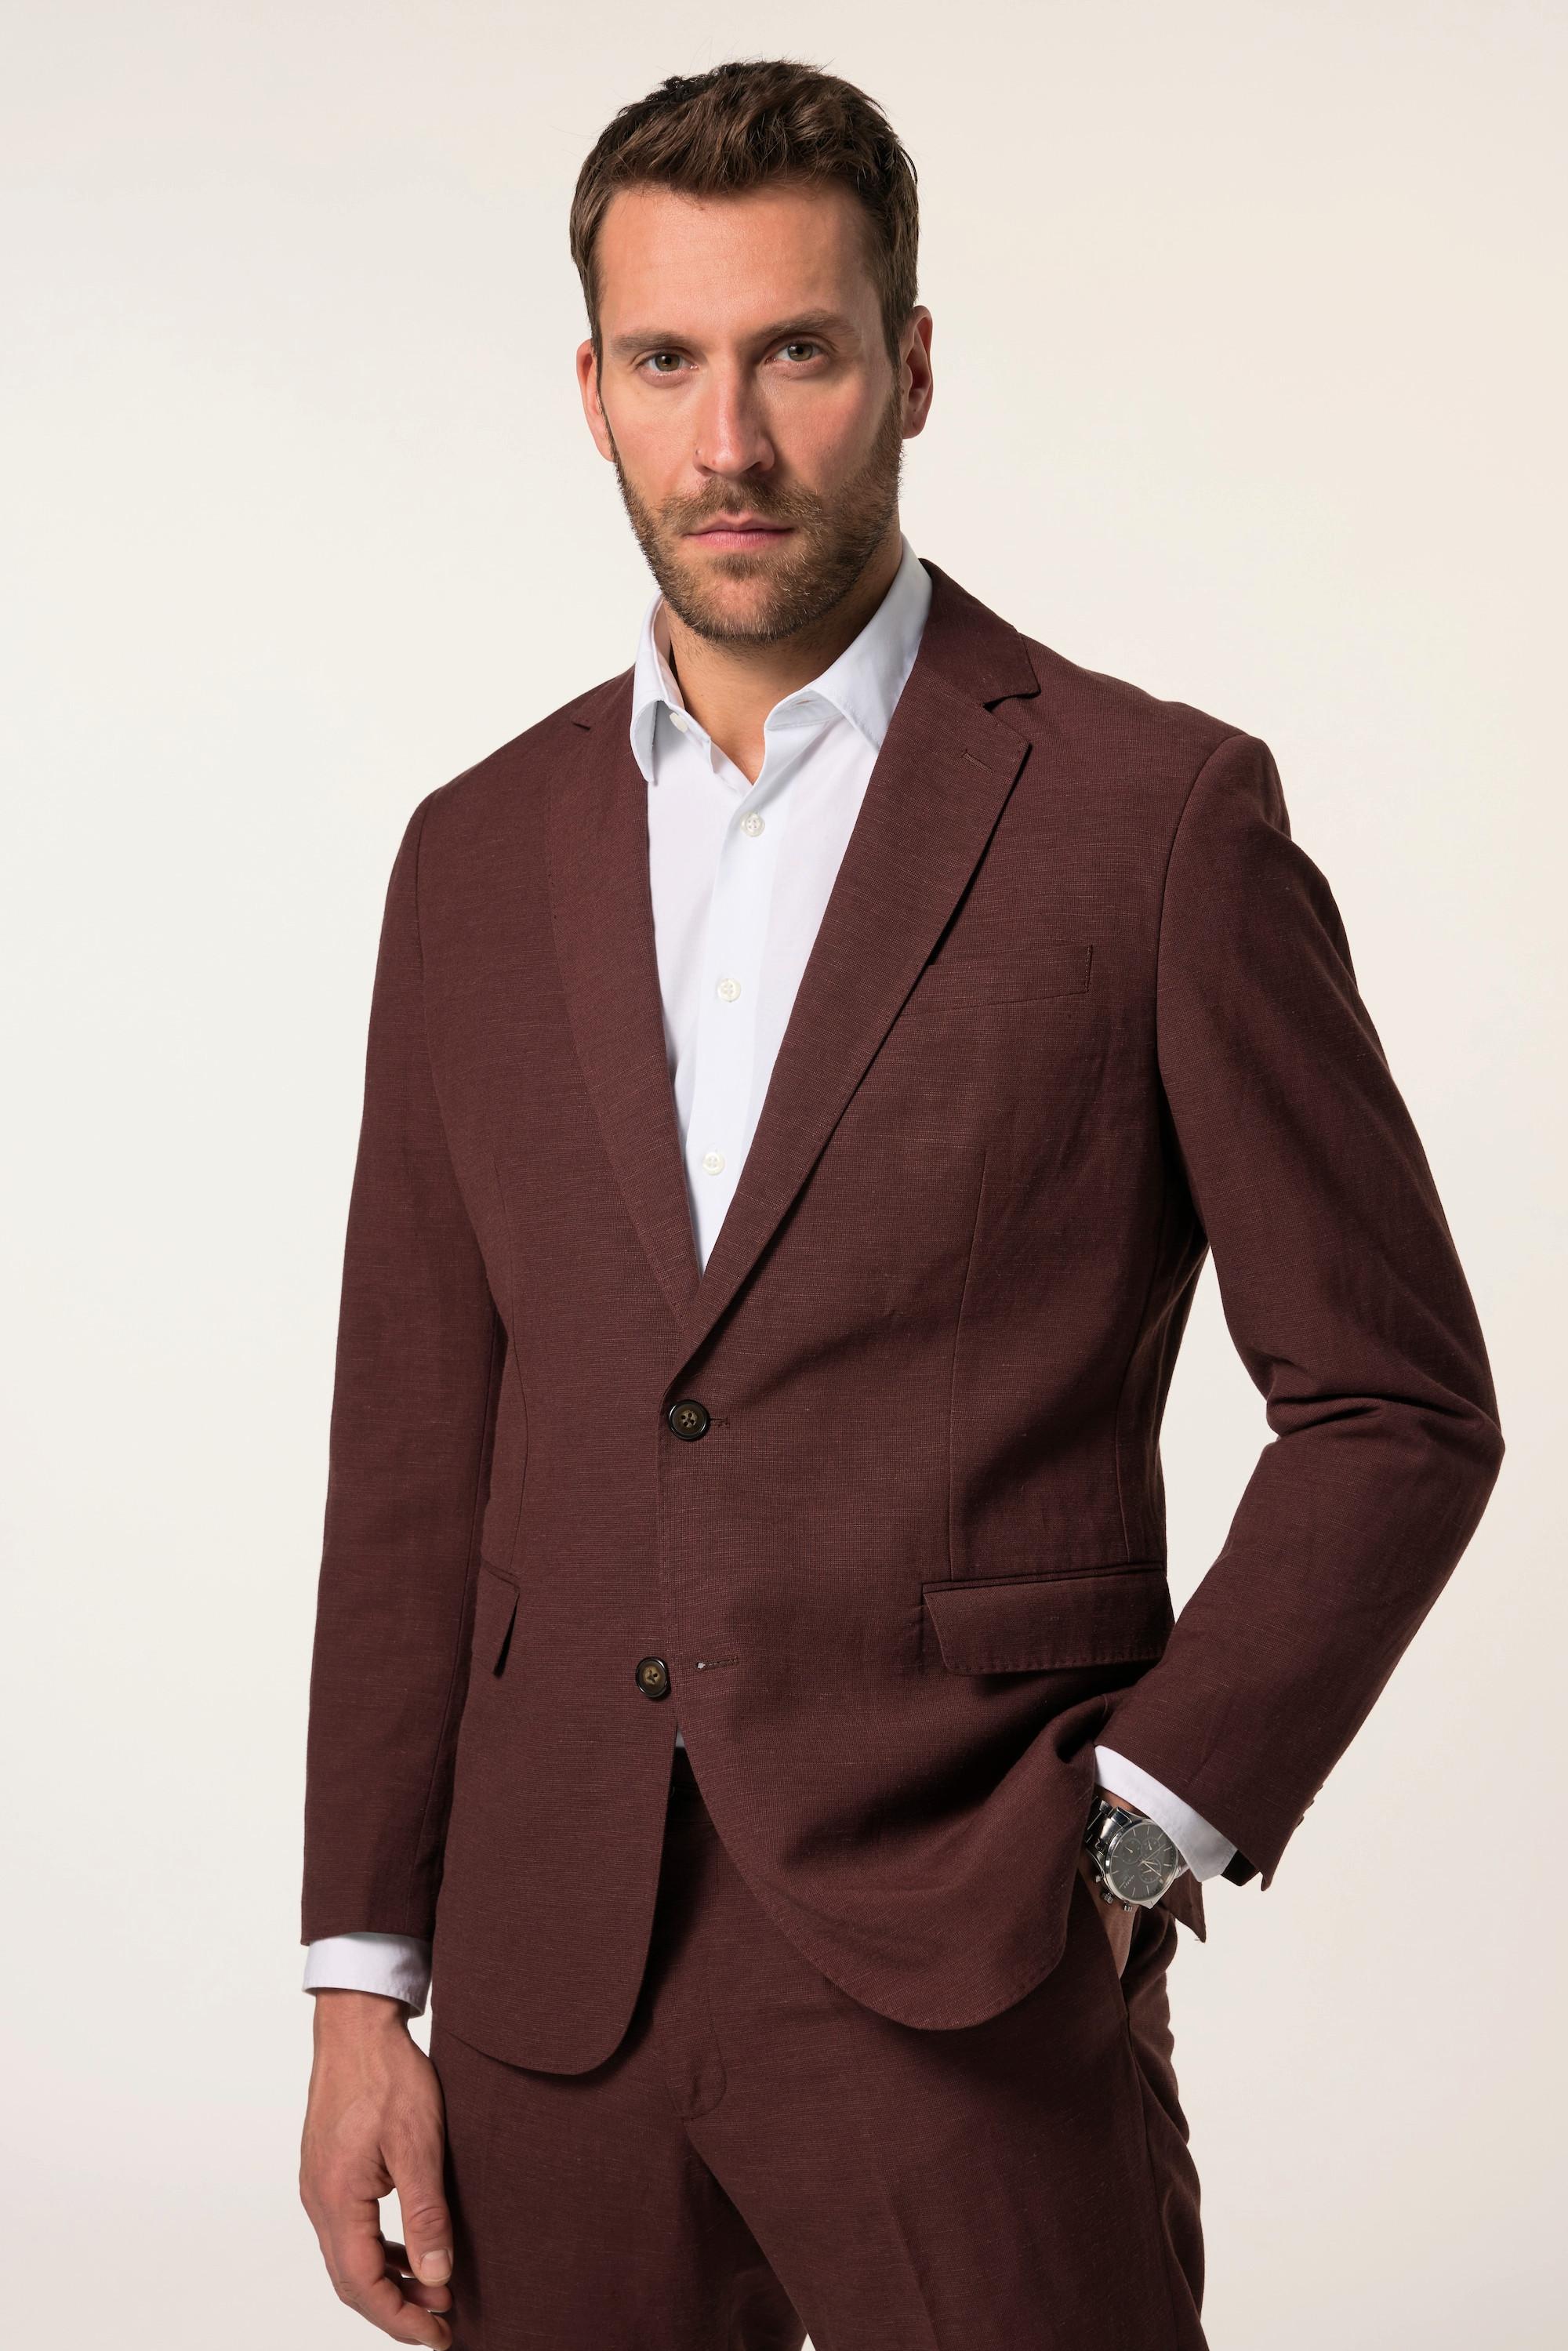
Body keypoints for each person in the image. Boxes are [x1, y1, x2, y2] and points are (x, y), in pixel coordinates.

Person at [296, 57, 1503, 2351]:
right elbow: (414, 1457)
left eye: (799, 353)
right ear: (590, 390)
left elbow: (1396, 1407)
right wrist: (364, 1983)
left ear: (914, 366)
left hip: (971, 1962)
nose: (729, 442)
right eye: (668, 360)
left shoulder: (1152, 820)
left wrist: (1139, 1832)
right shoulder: (472, 859)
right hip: (551, 1988)